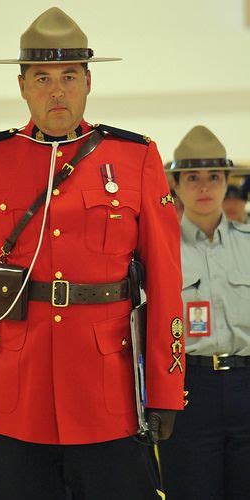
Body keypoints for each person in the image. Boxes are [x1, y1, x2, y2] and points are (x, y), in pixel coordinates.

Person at [0, 7, 184, 499]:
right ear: (22, 86)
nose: (56, 91)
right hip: (13, 396)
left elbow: (166, 283)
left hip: (107, 397)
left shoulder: (136, 159)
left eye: (69, 76)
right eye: (41, 78)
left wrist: (166, 389)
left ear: (88, 82)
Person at [160, 125, 250, 499]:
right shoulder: (159, 251)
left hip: (246, 383)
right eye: (192, 177)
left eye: (214, 177)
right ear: (176, 184)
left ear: (227, 181)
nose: (204, 187)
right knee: (192, 489)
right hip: (188, 390)